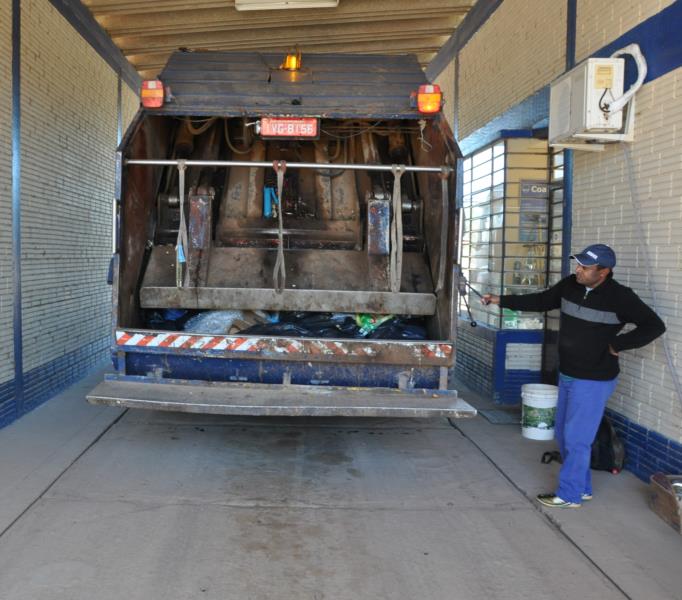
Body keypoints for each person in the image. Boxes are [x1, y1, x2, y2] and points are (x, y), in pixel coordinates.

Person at [481, 244, 666, 508]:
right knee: (565, 436)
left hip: (594, 379)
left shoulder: (620, 297)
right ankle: (582, 487)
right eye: (577, 264)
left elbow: (654, 325)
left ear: (603, 272)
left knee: (577, 438)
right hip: (567, 373)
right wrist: (500, 299)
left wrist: (617, 345)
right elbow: (543, 300)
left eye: (584, 267)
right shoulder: (570, 285)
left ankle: (569, 495)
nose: (577, 270)